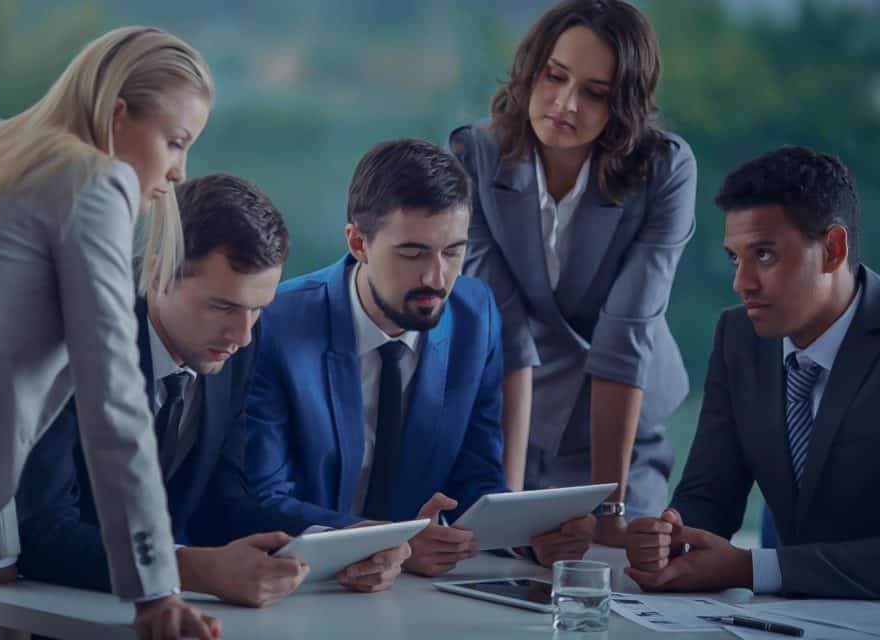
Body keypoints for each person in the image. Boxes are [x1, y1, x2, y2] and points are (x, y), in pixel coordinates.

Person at [0, 27, 221, 639]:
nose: (180, 172)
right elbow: (114, 397)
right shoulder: (93, 182)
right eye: (175, 142)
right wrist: (155, 589)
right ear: (116, 115)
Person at [0, 174, 410, 605]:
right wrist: (193, 570)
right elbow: (42, 532)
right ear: (157, 271)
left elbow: (223, 501)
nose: (243, 334)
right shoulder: (70, 337)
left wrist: (344, 539)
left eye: (258, 308)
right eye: (222, 306)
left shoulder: (237, 339)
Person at [244, 138, 591, 577]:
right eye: (412, 253)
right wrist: (393, 541)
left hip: (413, 595)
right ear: (358, 243)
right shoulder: (275, 324)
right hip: (304, 583)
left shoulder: (475, 314)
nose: (437, 277)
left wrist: (529, 539)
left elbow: (476, 476)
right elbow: (265, 497)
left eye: (453, 251)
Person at [450, 0, 696, 549]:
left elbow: (625, 334)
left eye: (596, 92)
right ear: (533, 70)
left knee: (613, 573)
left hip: (623, 432)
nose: (565, 104)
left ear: (624, 104)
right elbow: (505, 331)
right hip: (523, 417)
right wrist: (507, 510)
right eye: (555, 77)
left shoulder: (665, 170)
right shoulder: (478, 155)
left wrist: (610, 513)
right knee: (504, 580)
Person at [626, 146, 880, 599]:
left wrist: (750, 568)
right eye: (734, 258)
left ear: (833, 249)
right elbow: (710, 494)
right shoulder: (738, 337)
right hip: (783, 621)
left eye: (763, 255)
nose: (741, 282)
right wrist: (672, 538)